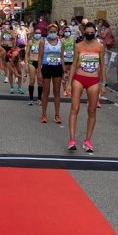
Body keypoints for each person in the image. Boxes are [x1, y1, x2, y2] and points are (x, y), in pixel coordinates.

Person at [66, 22, 106, 152]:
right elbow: (73, 64)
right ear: (83, 32)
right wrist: (68, 83)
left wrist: (103, 83)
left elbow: (102, 65)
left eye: (91, 32)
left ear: (95, 32)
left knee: (92, 110)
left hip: (93, 80)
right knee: (75, 108)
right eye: (87, 32)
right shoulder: (78, 46)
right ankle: (72, 140)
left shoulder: (100, 46)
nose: (89, 34)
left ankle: (87, 141)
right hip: (79, 77)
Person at [37, 23, 64, 124]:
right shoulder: (43, 42)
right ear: (48, 32)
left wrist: (64, 70)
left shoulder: (60, 42)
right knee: (46, 92)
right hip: (46, 67)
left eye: (54, 32)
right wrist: (39, 71)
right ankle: (44, 114)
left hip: (57, 67)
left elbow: (62, 57)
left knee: (57, 91)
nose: (53, 33)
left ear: (57, 32)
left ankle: (57, 115)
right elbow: (39, 57)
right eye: (51, 32)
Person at [26, 27, 43, 105]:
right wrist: (26, 64)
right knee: (32, 81)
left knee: (40, 81)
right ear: (34, 34)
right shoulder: (30, 42)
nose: (38, 34)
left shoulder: (43, 42)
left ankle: (39, 98)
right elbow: (27, 54)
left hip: (40, 63)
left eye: (39, 33)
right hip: (32, 62)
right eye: (36, 33)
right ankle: (31, 98)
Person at [61, 26, 76, 96]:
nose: (67, 32)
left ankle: (69, 89)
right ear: (64, 32)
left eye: (68, 31)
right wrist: (62, 60)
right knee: (64, 75)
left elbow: (75, 50)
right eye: (66, 31)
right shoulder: (62, 40)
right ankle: (64, 89)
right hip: (65, 60)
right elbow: (61, 52)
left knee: (71, 75)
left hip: (71, 60)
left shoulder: (73, 40)